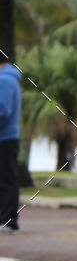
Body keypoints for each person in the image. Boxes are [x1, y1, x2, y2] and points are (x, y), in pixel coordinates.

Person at [0, 59, 22, 233]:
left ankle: (8, 221)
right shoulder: (8, 78)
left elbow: (2, 111)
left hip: (4, 138)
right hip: (7, 137)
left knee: (6, 180)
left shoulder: (4, 80)